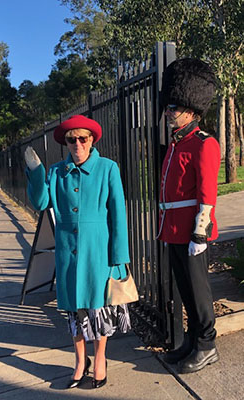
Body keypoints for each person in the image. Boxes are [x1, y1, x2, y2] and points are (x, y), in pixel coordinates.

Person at [24, 114, 131, 389]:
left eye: (82, 138)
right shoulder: (57, 171)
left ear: (92, 140)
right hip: (68, 252)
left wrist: (119, 256)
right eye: (72, 140)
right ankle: (80, 362)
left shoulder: (108, 168)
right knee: (75, 311)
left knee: (99, 310)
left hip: (98, 251)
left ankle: (100, 360)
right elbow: (41, 202)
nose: (77, 144)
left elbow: (118, 213)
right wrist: (36, 173)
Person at [157, 58, 221, 373]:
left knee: (199, 291)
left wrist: (200, 232)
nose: (169, 111)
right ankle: (192, 340)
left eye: (175, 107)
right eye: (169, 106)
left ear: (192, 111)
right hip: (173, 229)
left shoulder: (203, 143)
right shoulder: (176, 144)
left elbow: (207, 193)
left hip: (192, 231)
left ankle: (207, 344)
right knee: (185, 289)